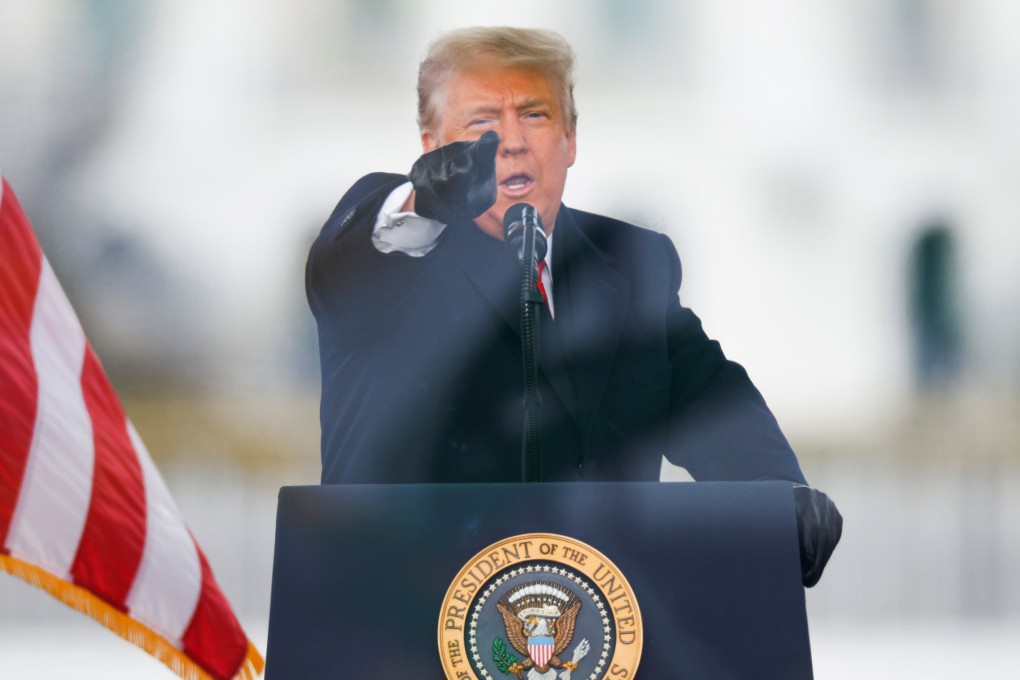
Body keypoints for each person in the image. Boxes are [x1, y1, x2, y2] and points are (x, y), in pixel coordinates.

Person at [306, 27, 840, 586]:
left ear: (570, 140)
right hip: (398, 612)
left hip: (601, 619)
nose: (511, 142)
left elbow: (710, 401)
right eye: (482, 123)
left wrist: (777, 496)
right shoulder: (394, 246)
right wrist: (424, 201)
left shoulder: (634, 263)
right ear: (433, 147)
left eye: (534, 115)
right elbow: (353, 264)